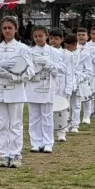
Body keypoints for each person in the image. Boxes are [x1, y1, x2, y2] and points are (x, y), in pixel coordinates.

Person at [0, 17, 32, 168]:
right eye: (5, 28)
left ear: (16, 29)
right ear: (1, 30)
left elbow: (30, 72)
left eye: (10, 28)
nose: (7, 31)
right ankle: (4, 155)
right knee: (1, 124)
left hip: (16, 91)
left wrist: (13, 76)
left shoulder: (23, 49)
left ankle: (16, 154)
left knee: (15, 124)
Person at [25, 26, 63, 154]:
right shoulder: (28, 51)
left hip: (47, 87)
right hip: (33, 86)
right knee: (34, 116)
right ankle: (35, 142)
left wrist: (47, 63)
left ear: (46, 36)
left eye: (40, 36)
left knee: (47, 116)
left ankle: (48, 142)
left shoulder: (54, 52)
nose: (38, 38)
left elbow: (61, 70)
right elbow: (24, 70)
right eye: (35, 36)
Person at [49, 29, 74, 143]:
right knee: (49, 108)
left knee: (63, 108)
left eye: (56, 38)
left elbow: (69, 71)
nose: (53, 41)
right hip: (49, 83)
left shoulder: (67, 54)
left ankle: (62, 131)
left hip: (63, 83)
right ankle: (50, 130)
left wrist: (69, 86)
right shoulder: (47, 52)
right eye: (51, 38)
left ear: (62, 39)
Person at [64, 33, 83, 134]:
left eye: (69, 45)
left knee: (76, 105)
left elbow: (87, 70)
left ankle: (75, 125)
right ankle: (66, 124)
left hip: (78, 81)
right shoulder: (63, 53)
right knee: (66, 105)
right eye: (66, 45)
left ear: (75, 44)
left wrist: (79, 78)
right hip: (66, 82)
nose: (67, 47)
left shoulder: (83, 53)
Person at [77, 28, 95, 125]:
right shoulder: (73, 48)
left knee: (87, 96)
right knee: (77, 97)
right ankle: (75, 116)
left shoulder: (92, 48)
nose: (81, 36)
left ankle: (87, 115)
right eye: (79, 35)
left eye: (83, 35)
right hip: (77, 75)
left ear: (87, 37)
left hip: (90, 74)